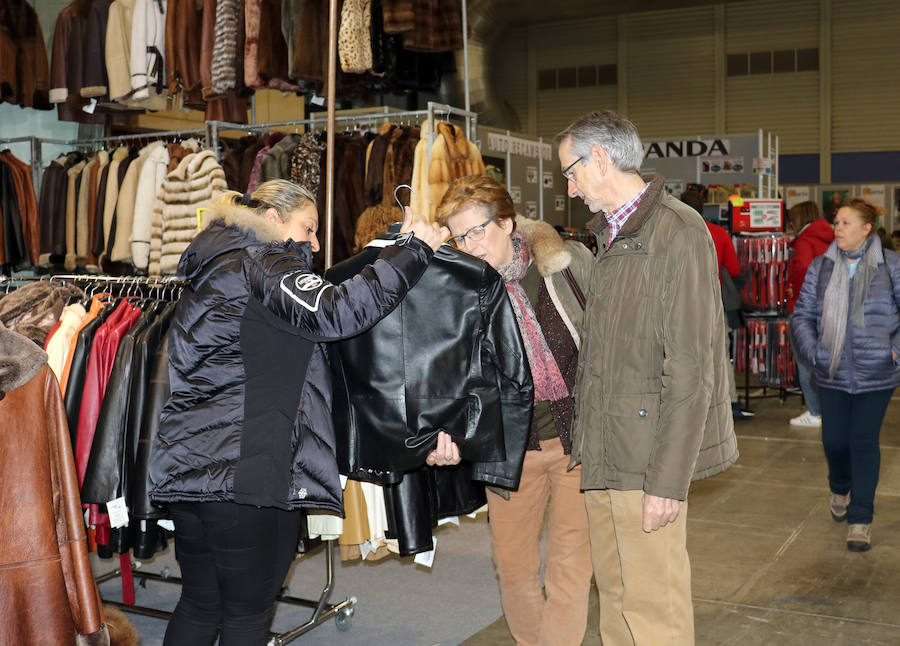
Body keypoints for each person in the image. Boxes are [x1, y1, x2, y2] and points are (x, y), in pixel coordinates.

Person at [147, 180, 455, 645]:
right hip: (248, 473)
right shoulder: (265, 260)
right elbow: (337, 312)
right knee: (247, 617)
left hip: (192, 471)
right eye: (308, 228)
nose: (314, 243)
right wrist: (411, 253)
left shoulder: (212, 269)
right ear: (271, 220)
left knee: (200, 603)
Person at [556, 111, 738, 645]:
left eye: (570, 172)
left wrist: (667, 480)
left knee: (654, 608)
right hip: (605, 452)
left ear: (602, 159)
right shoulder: (610, 238)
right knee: (614, 599)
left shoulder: (678, 232)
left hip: (647, 459)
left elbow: (691, 367)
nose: (568, 187)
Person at [434, 175, 594, 646]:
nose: (469, 244)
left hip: (574, 441)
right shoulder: (459, 292)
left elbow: (604, 344)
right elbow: (448, 374)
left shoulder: (563, 266)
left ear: (507, 222)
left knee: (570, 567)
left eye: (477, 231)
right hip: (508, 449)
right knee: (515, 567)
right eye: (458, 236)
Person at [792, 197, 900, 552]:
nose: (838, 229)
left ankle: (860, 518)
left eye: (846, 223)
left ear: (867, 229)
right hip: (832, 370)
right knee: (834, 442)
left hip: (877, 373)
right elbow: (802, 316)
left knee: (863, 442)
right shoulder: (821, 267)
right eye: (836, 222)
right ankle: (840, 487)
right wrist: (815, 353)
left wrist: (894, 350)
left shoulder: (891, 266)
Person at [680, 189, 753, 420]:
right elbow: (733, 269)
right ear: (703, 208)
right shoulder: (719, 233)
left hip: (681, 303)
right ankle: (729, 401)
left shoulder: (673, 233)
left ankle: (688, 403)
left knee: (682, 354)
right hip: (712, 302)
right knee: (720, 354)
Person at [786, 200, 833, 428]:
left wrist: (794, 289)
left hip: (803, 309)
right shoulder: (829, 238)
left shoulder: (805, 241)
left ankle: (815, 411)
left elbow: (803, 268)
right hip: (826, 308)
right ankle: (826, 410)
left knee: (805, 361)